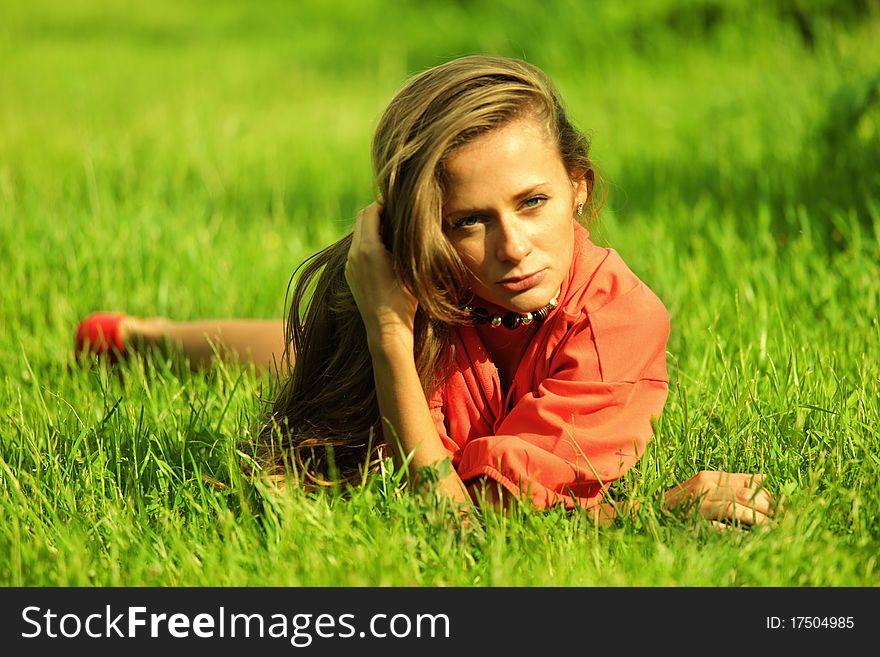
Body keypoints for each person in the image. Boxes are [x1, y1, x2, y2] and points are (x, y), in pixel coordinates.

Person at [76, 55, 774, 526]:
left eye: (533, 202)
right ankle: (147, 336)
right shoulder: (419, 285)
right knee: (294, 352)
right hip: (406, 322)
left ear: (579, 188)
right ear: (426, 231)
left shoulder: (615, 323)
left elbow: (464, 520)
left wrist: (647, 510)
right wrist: (384, 325)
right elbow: (417, 489)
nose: (512, 248)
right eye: (470, 221)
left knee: (294, 353)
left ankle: (150, 334)